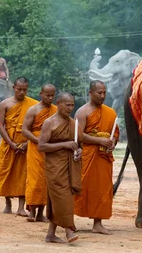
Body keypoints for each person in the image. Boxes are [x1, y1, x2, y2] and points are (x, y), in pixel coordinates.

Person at [74, 81, 119, 235]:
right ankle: (69, 222)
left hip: (104, 156)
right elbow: (79, 135)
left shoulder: (110, 113)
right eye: (99, 93)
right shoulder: (82, 112)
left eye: (104, 93)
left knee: (102, 189)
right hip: (88, 155)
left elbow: (115, 133)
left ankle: (98, 223)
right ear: (90, 93)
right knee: (82, 187)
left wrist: (112, 142)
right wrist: (100, 140)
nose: (102, 96)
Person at [38, 92, 82, 244]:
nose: (70, 108)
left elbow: (79, 144)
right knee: (63, 198)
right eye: (67, 105)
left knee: (57, 199)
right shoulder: (49, 123)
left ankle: (51, 234)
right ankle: (69, 230)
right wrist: (64, 144)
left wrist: (78, 151)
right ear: (58, 104)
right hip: (54, 167)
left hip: (69, 166)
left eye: (72, 105)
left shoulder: (73, 123)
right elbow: (41, 146)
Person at [0, 77, 37, 215]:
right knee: (6, 172)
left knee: (24, 174)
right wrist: (11, 143)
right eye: (19, 89)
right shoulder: (4, 104)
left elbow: (35, 126)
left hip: (25, 142)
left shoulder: (33, 105)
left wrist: (27, 143)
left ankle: (21, 207)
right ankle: (8, 204)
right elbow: (0, 126)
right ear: (14, 87)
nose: (21, 92)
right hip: (8, 143)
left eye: (24, 90)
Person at [22, 84, 57, 222]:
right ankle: (31, 211)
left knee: (47, 181)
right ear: (40, 94)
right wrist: (39, 141)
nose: (50, 98)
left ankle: (41, 213)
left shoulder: (56, 110)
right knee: (35, 179)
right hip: (35, 148)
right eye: (47, 95)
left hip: (51, 148)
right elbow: (25, 130)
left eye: (52, 95)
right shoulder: (33, 110)